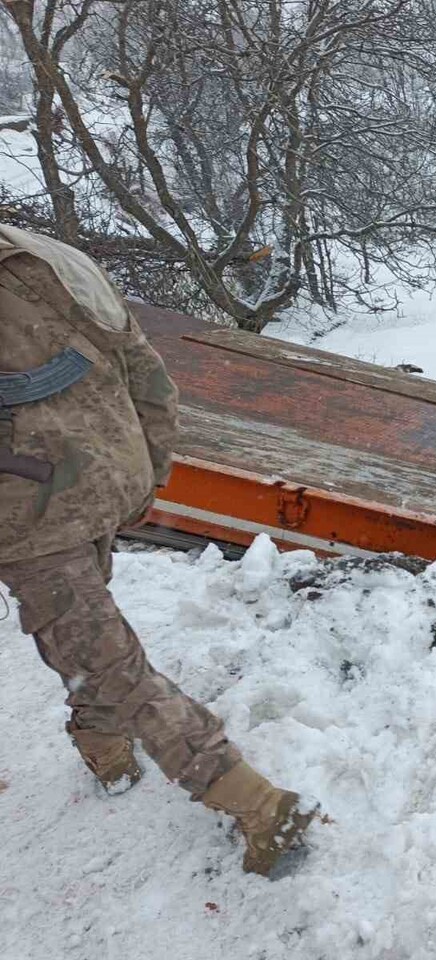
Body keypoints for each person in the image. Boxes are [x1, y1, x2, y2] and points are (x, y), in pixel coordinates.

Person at [0, 225, 315, 876]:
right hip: (105, 479)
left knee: (109, 663)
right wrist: (149, 469)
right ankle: (103, 744)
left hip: (33, 517)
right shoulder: (52, 255)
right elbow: (146, 371)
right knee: (87, 637)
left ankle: (259, 808)